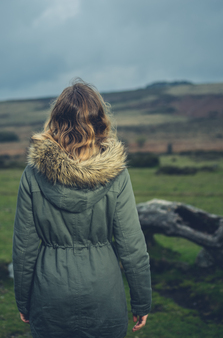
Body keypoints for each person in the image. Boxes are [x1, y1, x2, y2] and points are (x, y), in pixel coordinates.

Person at [12, 79, 152, 338]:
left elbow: (24, 248)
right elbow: (132, 247)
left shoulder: (32, 174)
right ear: (100, 122)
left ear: (56, 121)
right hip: (104, 292)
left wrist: (23, 301)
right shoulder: (117, 176)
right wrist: (142, 301)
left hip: (49, 293)